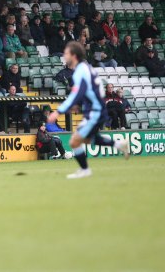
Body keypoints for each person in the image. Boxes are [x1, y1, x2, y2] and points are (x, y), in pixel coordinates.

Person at [47, 41, 129, 179]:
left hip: (95, 111)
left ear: (73, 55)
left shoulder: (80, 70)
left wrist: (58, 111)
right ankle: (119, 145)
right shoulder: (85, 68)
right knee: (88, 139)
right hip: (95, 110)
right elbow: (89, 91)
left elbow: (78, 93)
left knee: (75, 141)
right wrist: (79, 105)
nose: (64, 56)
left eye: (66, 53)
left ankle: (85, 170)